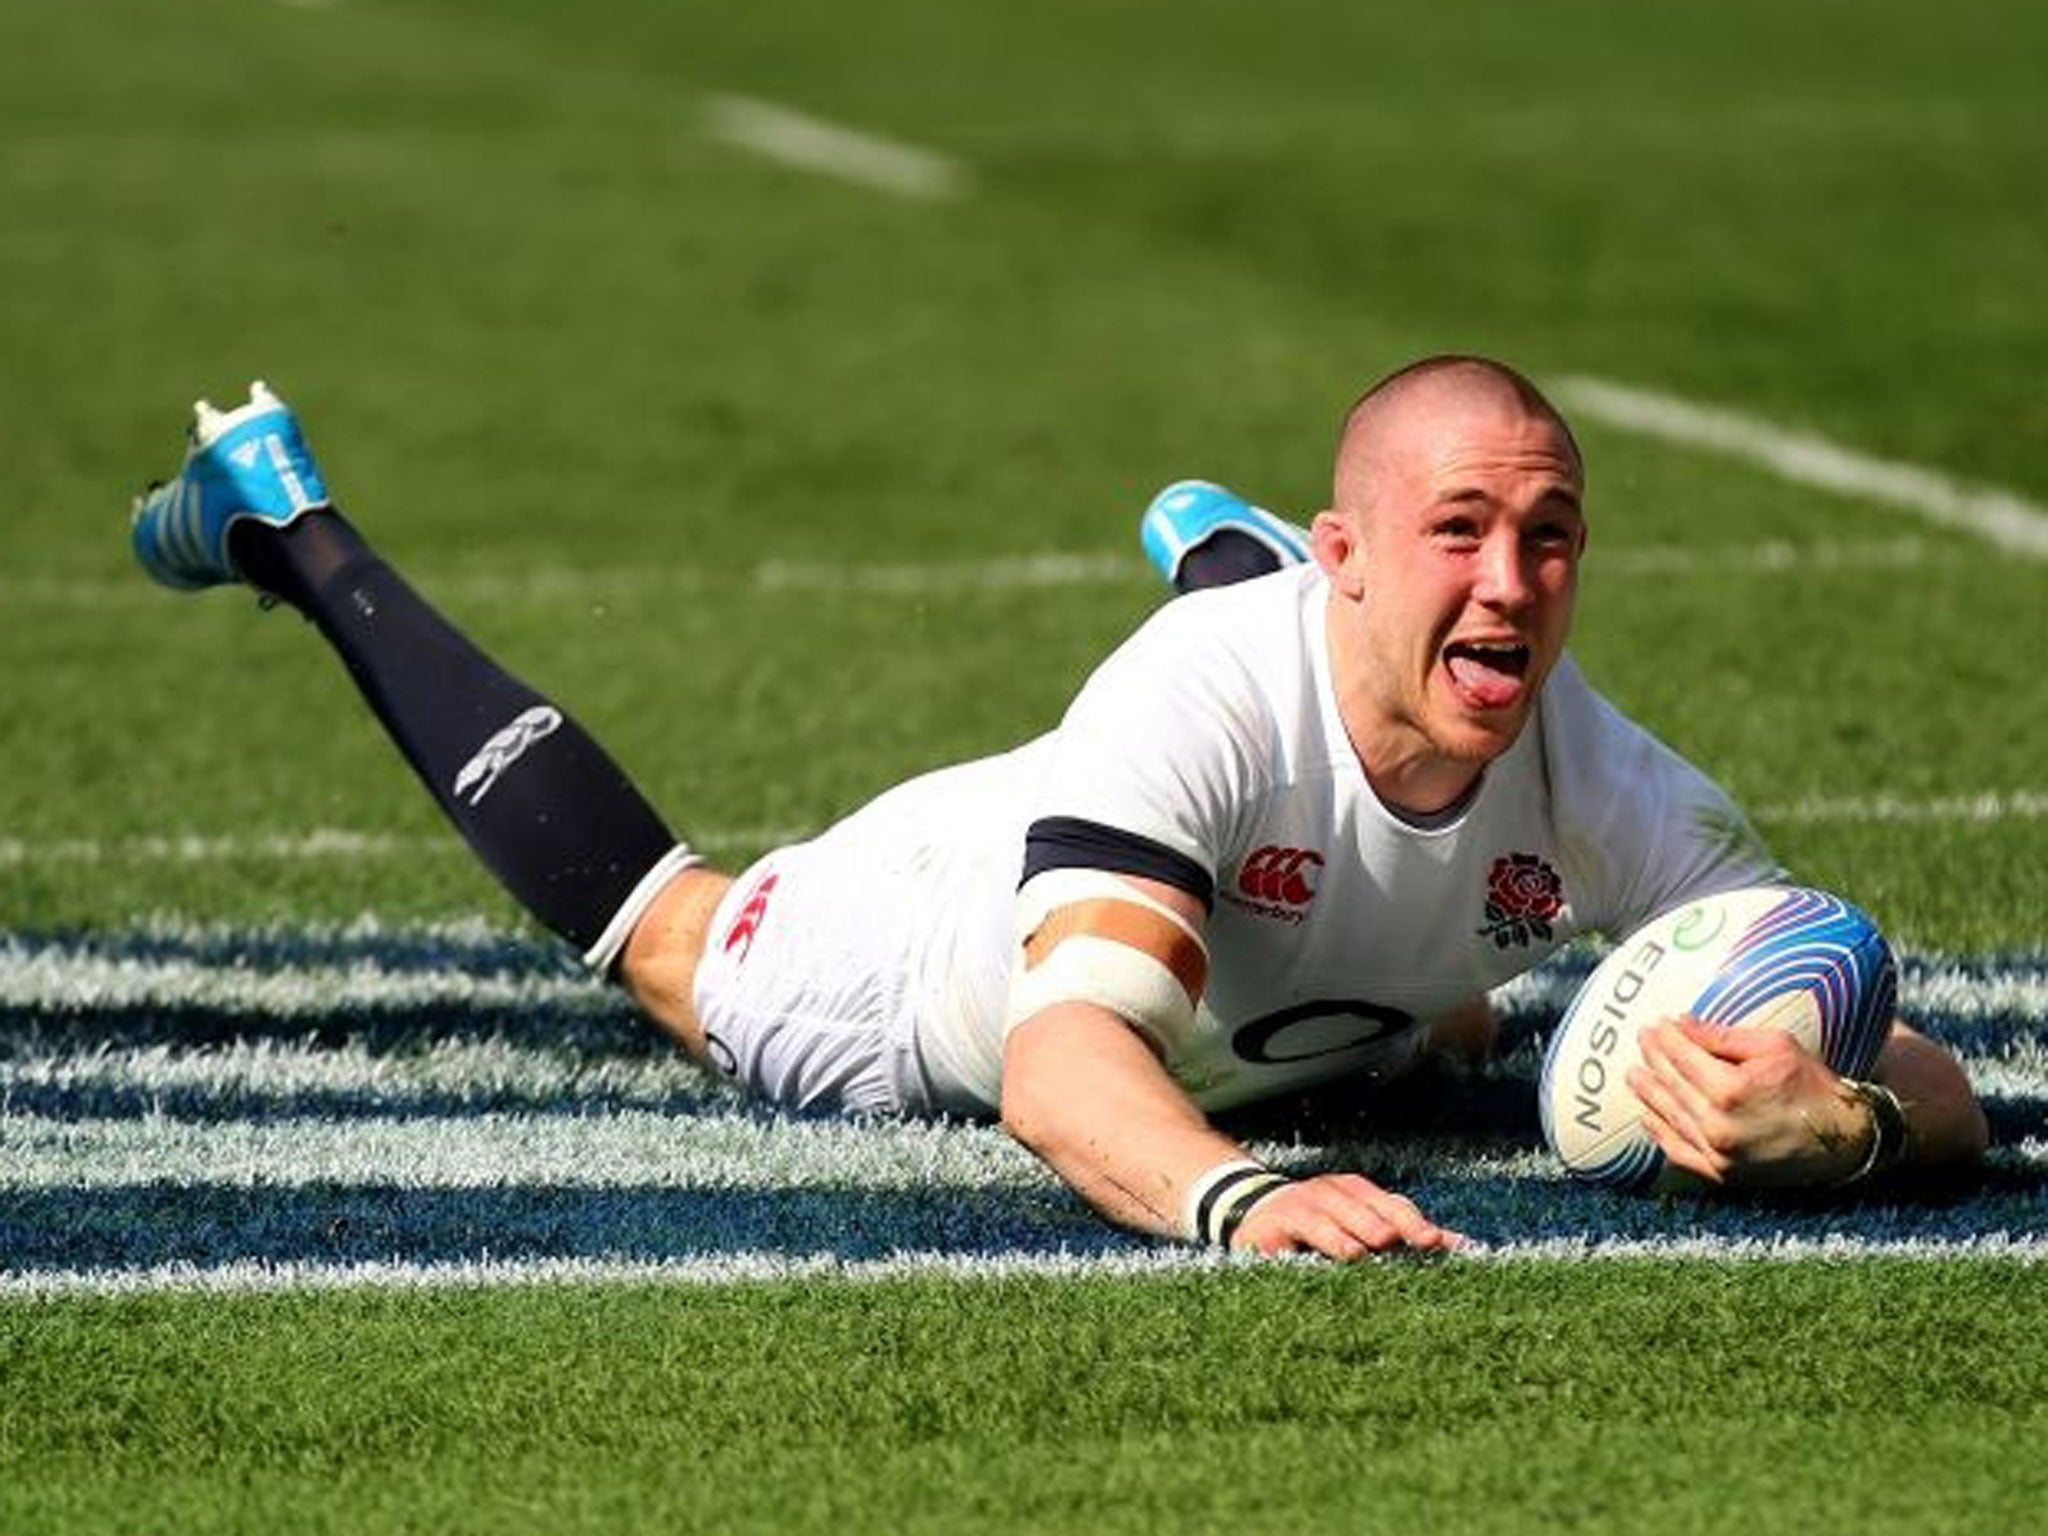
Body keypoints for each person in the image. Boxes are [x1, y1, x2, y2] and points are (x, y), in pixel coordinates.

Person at [129, 355, 1987, 1260]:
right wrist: (1231, 1198)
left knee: (1448, 1016)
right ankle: (290, 520)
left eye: (1550, 539)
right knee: (672, 937)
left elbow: (1905, 1058)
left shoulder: (1603, 768)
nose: (1513, 582)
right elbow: (1060, 1072)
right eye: (1458, 535)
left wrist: (1851, 1127)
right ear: (1358, 554)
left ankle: (1239, 575)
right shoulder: (1195, 720)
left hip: (1268, 901)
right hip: (921, 941)